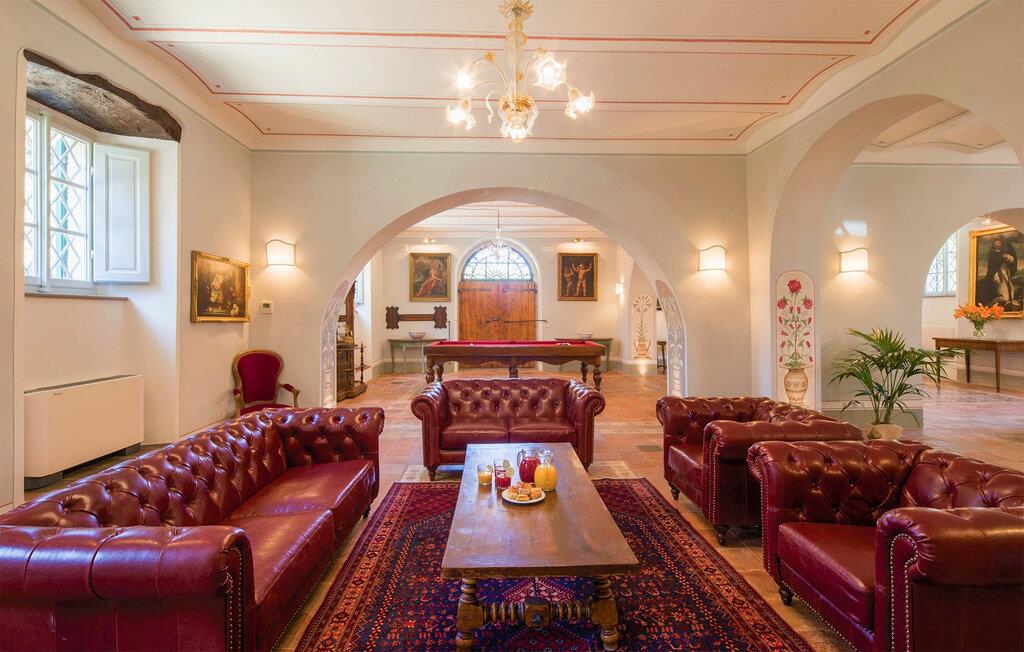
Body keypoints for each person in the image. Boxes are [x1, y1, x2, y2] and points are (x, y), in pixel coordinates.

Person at [983, 237, 1019, 310]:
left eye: (999, 242)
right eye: (996, 242)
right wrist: (996, 277)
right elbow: (993, 268)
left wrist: (1008, 257)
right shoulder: (993, 254)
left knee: (1010, 294)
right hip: (998, 277)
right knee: (1004, 297)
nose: (998, 243)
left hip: (1005, 275)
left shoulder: (1004, 253)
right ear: (993, 244)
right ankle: (986, 308)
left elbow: (1011, 260)